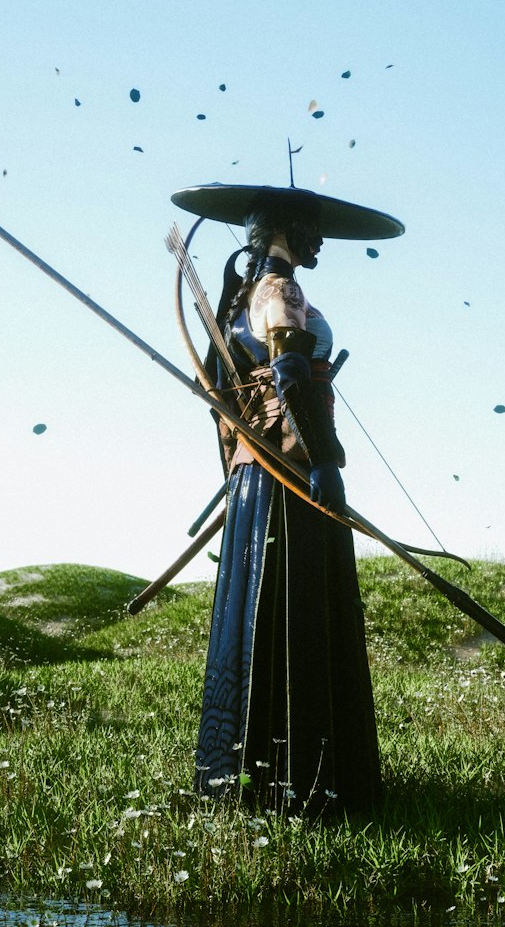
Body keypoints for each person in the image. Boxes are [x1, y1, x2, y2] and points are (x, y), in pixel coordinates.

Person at [169, 181, 405, 814]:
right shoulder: (283, 291)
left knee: (262, 610)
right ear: (285, 230)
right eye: (311, 228)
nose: (320, 239)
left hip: (258, 475)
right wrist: (325, 460)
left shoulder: (245, 295)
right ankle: (313, 785)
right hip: (293, 474)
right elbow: (291, 374)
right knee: (299, 605)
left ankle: (250, 783)